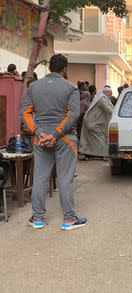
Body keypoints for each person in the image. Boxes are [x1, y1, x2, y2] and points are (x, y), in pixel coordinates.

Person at [21, 53, 87, 230]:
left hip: (41, 140)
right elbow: (73, 114)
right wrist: (56, 134)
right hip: (66, 139)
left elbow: (25, 112)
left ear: (50, 67)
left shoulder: (33, 87)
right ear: (65, 69)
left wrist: (40, 133)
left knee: (40, 179)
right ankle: (69, 220)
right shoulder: (70, 88)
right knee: (65, 179)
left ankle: (37, 219)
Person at [79, 86, 115, 160]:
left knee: (86, 138)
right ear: (106, 92)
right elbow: (109, 109)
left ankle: (82, 155)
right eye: (110, 93)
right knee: (100, 137)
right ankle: (105, 154)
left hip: (90, 120)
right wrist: (118, 114)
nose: (111, 95)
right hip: (92, 122)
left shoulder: (102, 97)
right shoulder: (102, 99)